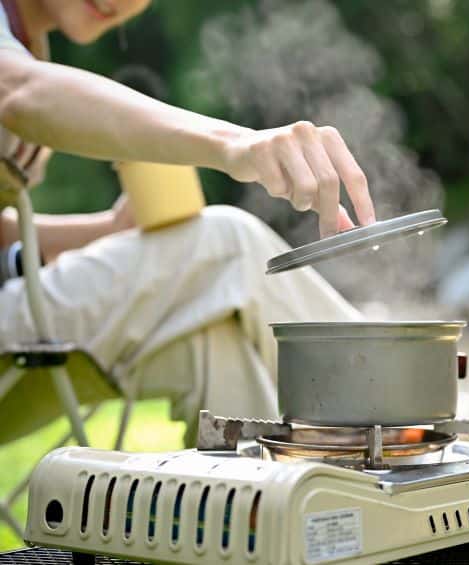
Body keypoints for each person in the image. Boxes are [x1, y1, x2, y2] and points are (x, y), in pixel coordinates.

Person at [0, 0, 374, 442]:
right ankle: (405, 417)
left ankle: (270, 503)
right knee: (227, 242)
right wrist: (237, 145)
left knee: (213, 343)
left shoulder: (28, 43)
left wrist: (108, 230)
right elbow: (17, 90)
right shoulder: (19, 62)